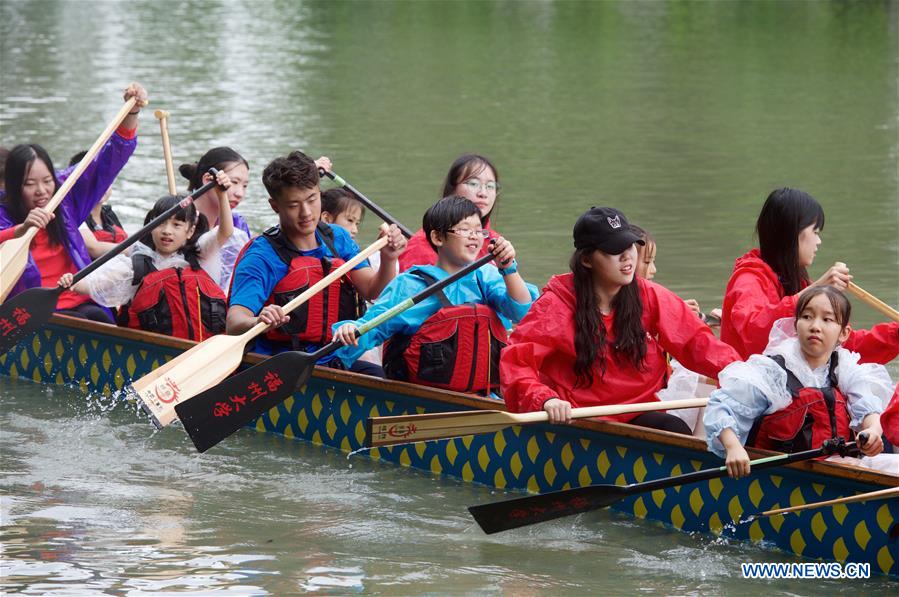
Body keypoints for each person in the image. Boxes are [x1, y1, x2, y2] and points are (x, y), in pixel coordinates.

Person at [500, 207, 741, 434]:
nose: (628, 257)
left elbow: (695, 342)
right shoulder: (556, 305)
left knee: (674, 429)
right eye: (614, 249)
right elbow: (517, 362)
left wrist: (739, 374)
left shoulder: (648, 294)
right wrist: (545, 399)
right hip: (577, 416)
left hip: (636, 409)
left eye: (630, 246)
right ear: (586, 260)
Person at [225, 150, 406, 376]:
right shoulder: (261, 256)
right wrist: (258, 320)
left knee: (382, 378)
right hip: (281, 366)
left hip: (333, 357)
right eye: (293, 205)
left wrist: (389, 258)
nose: (306, 213)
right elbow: (234, 322)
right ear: (275, 206)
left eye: (312, 199)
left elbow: (372, 290)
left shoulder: (337, 238)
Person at [332, 195, 537, 392]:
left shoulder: (486, 276)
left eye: (478, 230)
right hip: (425, 395)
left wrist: (509, 268)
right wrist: (352, 329)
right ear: (438, 237)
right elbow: (373, 326)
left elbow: (521, 311)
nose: (474, 235)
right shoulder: (411, 285)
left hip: (484, 396)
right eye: (465, 229)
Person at [704, 286, 896, 476]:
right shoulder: (773, 370)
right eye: (806, 317)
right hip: (787, 475)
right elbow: (720, 407)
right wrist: (733, 447)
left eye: (827, 319)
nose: (815, 326)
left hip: (837, 467)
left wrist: (872, 431)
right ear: (796, 324)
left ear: (844, 333)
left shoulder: (844, 367)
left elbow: (868, 408)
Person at [0, 83, 146, 322]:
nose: (41, 191)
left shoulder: (64, 197)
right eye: (29, 184)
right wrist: (21, 230)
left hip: (80, 300)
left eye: (47, 181)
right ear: (14, 187)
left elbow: (107, 159)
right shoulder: (4, 212)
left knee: (102, 320)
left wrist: (131, 113)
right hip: (31, 315)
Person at [721, 188, 898, 364]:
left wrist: (895, 334)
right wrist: (815, 290)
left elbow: (842, 343)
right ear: (791, 232)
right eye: (815, 232)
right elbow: (755, 336)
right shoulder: (748, 280)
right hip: (752, 387)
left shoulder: (798, 281)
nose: (818, 241)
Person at [58, 169, 234, 341]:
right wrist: (71, 282)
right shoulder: (136, 265)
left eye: (176, 225)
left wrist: (221, 195)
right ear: (151, 226)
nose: (167, 231)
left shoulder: (200, 253)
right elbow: (93, 284)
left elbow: (225, 232)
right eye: (161, 223)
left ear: (190, 230)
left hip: (200, 348)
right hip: (155, 351)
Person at [398, 154, 503, 271]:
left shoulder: (496, 242)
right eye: (473, 184)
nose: (483, 193)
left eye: (490, 186)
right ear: (452, 190)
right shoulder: (421, 247)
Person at [178, 147, 252, 290]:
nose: (240, 193)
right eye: (234, 182)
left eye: (245, 186)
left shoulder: (238, 223)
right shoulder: (178, 218)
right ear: (207, 180)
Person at [631, 224, 721, 325]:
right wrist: (674, 312)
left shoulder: (650, 299)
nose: (654, 270)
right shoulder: (621, 306)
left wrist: (680, 309)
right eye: (647, 262)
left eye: (653, 261)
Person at [70, 150, 127, 244]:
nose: (101, 186)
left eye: (106, 180)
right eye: (93, 180)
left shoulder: (108, 214)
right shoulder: (74, 215)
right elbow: (93, 248)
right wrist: (135, 250)